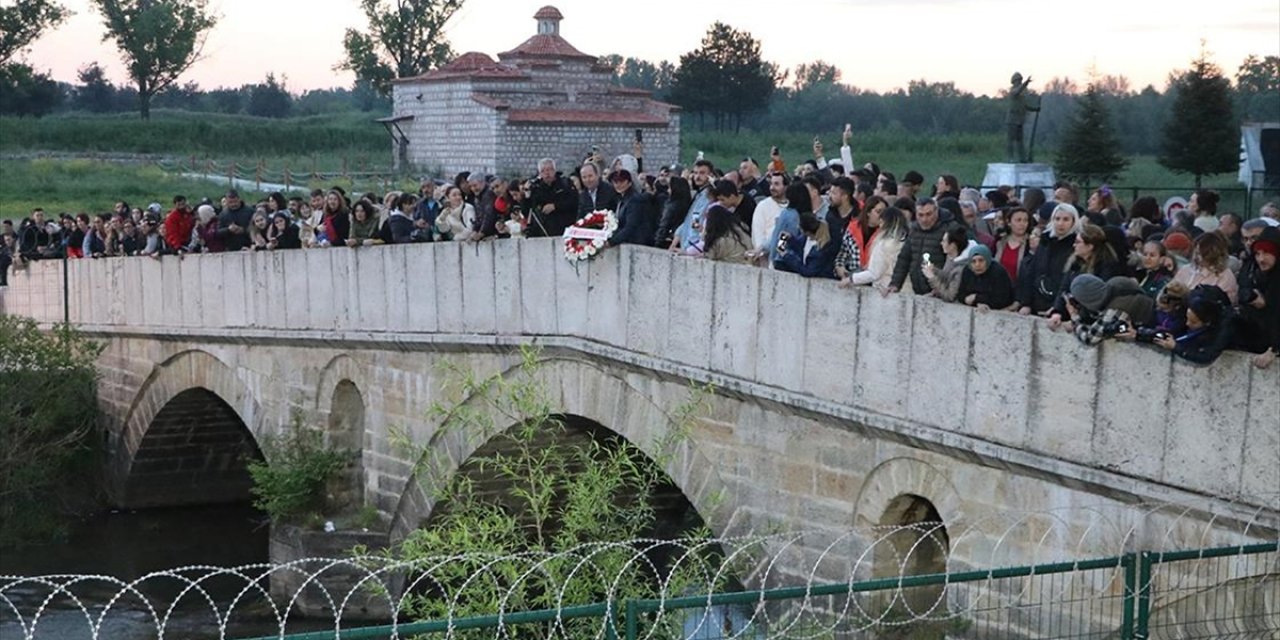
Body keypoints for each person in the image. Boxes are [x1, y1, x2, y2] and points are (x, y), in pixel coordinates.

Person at [1143, 285, 1234, 365]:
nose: (1187, 323)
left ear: (1207, 322)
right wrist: (1138, 335)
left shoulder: (1226, 326)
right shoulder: (1190, 302)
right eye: (1187, 319)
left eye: (1193, 322)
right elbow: (1173, 331)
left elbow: (1206, 356)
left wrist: (1176, 348)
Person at [1017, 203, 1081, 316]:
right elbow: (1032, 272)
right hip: (1038, 302)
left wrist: (1057, 308)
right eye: (1057, 219)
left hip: (1060, 308)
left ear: (1073, 221)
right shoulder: (1045, 242)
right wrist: (1026, 303)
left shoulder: (1076, 246)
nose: (1060, 223)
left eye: (1066, 219)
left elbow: (1067, 282)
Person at [888, 197, 958, 295]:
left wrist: (942, 287)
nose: (924, 219)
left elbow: (955, 262)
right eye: (920, 215)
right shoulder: (914, 230)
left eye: (929, 214)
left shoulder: (950, 229)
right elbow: (904, 258)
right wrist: (895, 284)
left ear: (936, 211)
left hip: (939, 290)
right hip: (918, 288)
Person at [1233, 229, 1280, 368]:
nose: (1261, 259)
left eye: (1266, 253)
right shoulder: (1252, 271)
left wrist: (1274, 349)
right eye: (1258, 254)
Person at [1067, 275, 1156, 346]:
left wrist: (1075, 317)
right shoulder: (1116, 282)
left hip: (1152, 329)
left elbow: (1090, 338)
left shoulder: (1114, 309)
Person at [843, 206, 907, 290]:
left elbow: (874, 273)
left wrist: (851, 279)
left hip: (884, 290)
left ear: (883, 222)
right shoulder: (906, 242)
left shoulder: (883, 244)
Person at [1173, 231, 1238, 304]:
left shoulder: (1225, 276)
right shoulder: (1185, 270)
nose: (1197, 258)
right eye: (1196, 253)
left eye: (1203, 255)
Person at [774, 211, 838, 279]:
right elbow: (801, 247)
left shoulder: (822, 249)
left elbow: (808, 271)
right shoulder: (806, 238)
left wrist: (786, 256)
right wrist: (790, 239)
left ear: (806, 232)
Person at [526, 158, 578, 237]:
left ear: (554, 170)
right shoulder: (536, 188)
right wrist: (527, 194)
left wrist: (555, 206)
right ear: (540, 174)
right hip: (544, 232)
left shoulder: (565, 184)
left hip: (565, 228)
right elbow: (529, 210)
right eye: (543, 171)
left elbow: (574, 202)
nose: (547, 173)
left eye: (549, 169)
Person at [607, 169, 657, 247]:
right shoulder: (620, 199)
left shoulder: (634, 200)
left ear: (629, 183)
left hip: (637, 244)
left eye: (622, 181)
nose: (618, 185)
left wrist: (611, 242)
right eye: (615, 182)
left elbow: (630, 226)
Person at [922, 227, 972, 303]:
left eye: (944, 241)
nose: (941, 243)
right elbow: (948, 277)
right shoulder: (950, 257)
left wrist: (932, 277)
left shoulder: (962, 269)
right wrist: (934, 270)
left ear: (953, 245)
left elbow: (949, 296)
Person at [957, 245, 1015, 310]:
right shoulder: (967, 271)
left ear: (987, 260)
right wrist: (968, 300)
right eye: (973, 261)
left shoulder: (998, 272)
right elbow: (961, 295)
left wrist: (977, 298)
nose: (977, 265)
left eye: (981, 260)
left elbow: (1001, 299)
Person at [750, 173, 788, 261]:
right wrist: (761, 251)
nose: (772, 187)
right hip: (765, 257)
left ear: (785, 187)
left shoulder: (790, 207)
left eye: (776, 184)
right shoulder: (763, 206)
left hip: (783, 257)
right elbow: (757, 233)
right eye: (771, 184)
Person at [994, 207, 1032, 284]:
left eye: (1025, 220)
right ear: (1009, 222)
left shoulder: (1030, 243)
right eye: (1018, 220)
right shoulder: (1000, 241)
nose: (1022, 224)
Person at [655, 176, 692, 248]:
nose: (668, 191)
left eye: (670, 188)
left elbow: (664, 224)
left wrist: (658, 241)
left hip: (669, 239)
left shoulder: (672, 206)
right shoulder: (688, 204)